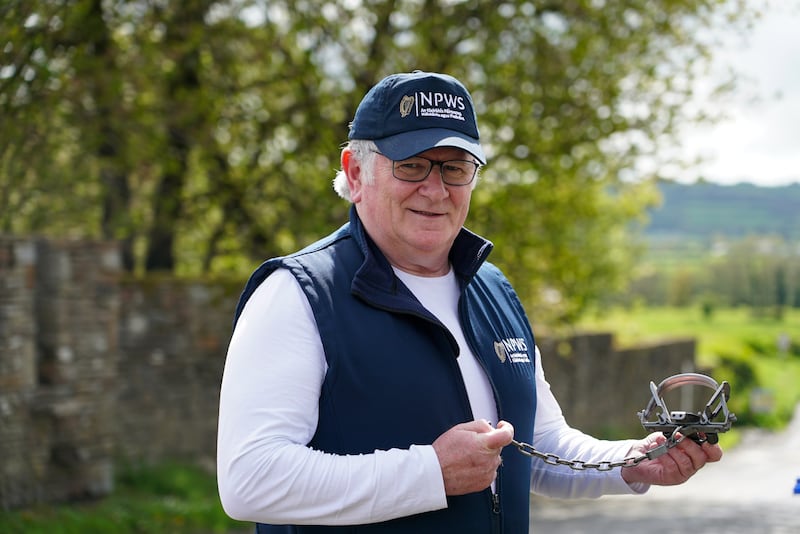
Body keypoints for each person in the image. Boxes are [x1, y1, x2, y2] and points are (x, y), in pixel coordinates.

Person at [216, 71, 723, 533]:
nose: (436, 190)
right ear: (354, 173)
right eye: (412, 166)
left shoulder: (492, 288)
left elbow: (537, 444)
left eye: (456, 168)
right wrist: (429, 473)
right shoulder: (299, 294)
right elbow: (250, 480)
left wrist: (631, 462)